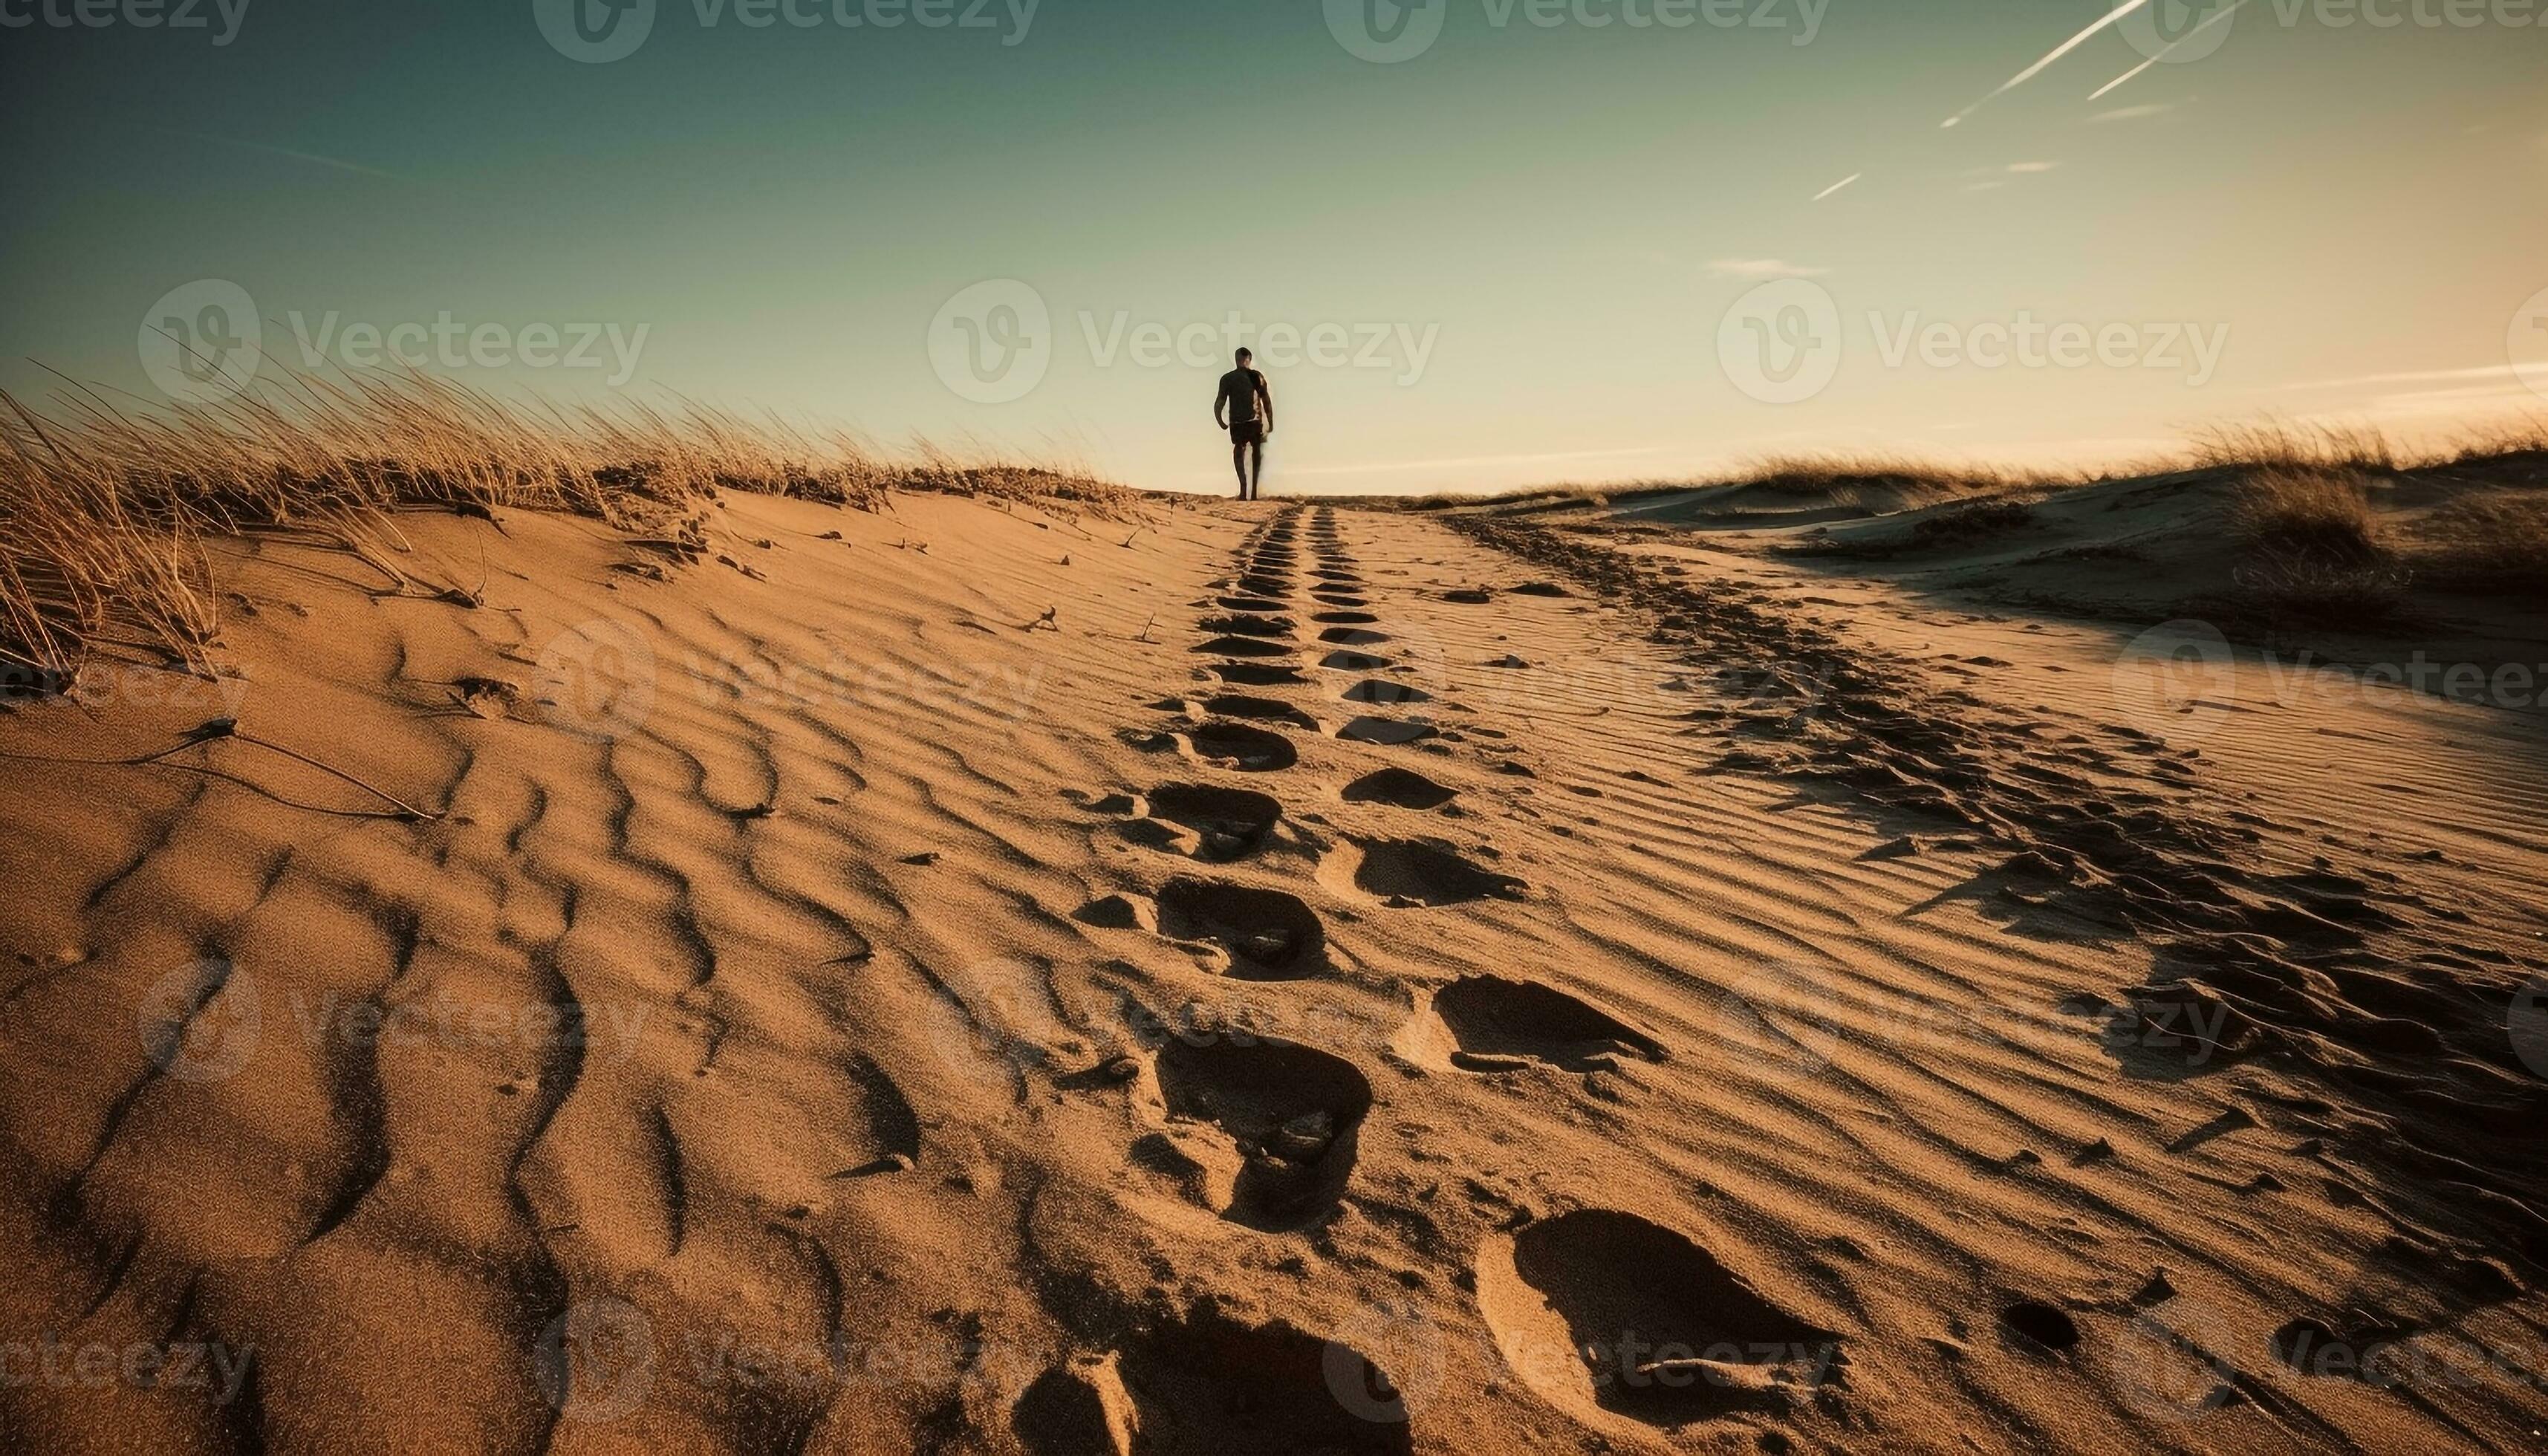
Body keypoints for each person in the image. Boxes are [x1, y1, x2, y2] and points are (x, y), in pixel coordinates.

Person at [1214, 348, 1273, 501]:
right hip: (1246, 421)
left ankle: (1247, 490)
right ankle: (1249, 490)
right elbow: (1266, 400)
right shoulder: (1251, 376)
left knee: (1242, 450)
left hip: (1244, 422)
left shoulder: (1237, 378)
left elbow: (1219, 402)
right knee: (1250, 451)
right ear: (1249, 359)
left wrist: (1220, 420)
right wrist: (1270, 421)